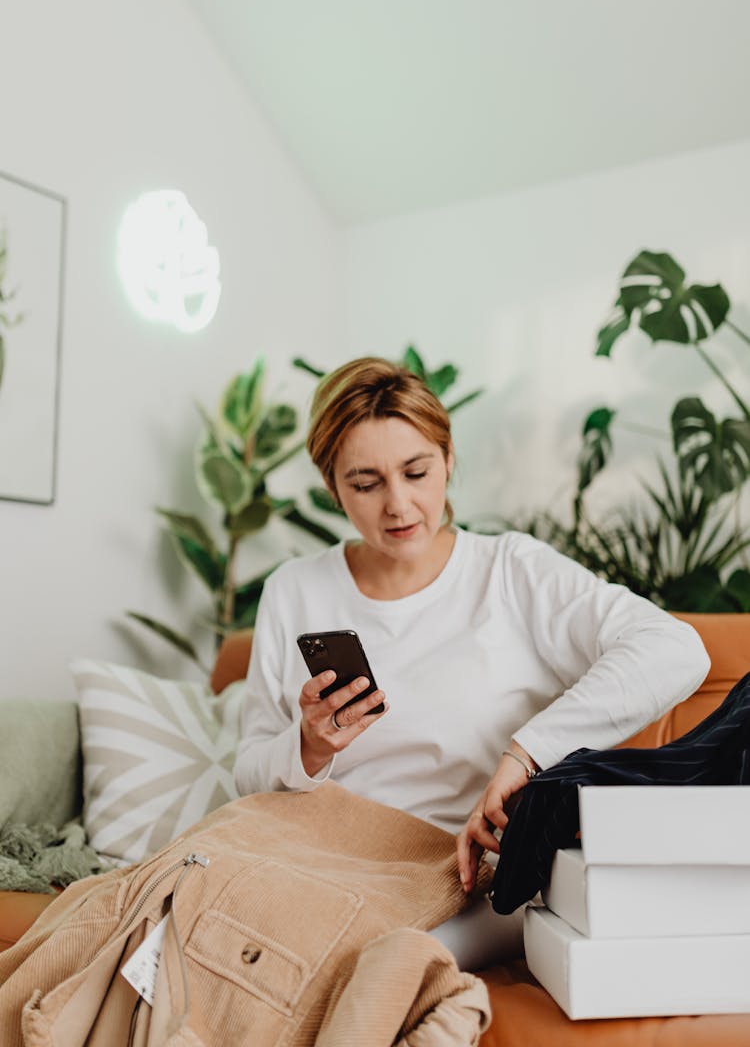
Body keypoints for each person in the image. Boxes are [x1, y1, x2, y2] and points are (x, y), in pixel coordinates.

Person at [233, 357, 710, 969]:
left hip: (461, 880)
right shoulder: (294, 588)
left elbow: (675, 650)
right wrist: (308, 746)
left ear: (448, 458)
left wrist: (527, 753)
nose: (399, 505)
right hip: (324, 861)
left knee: (372, 965)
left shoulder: (510, 572)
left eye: (416, 471)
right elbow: (246, 776)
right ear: (332, 488)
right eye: (365, 483)